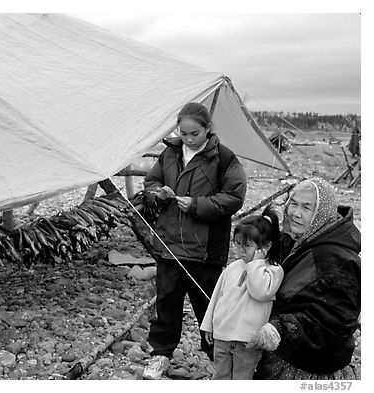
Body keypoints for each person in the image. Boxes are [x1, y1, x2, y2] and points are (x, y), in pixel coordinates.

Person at [141, 102, 247, 380]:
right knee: (166, 303)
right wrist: (158, 195)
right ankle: (161, 355)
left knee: (209, 306)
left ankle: (217, 358)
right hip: (169, 246)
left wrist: (198, 205)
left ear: (208, 129)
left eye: (194, 134)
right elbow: (150, 183)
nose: (188, 139)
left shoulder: (223, 158)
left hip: (205, 250)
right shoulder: (169, 153)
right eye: (183, 133)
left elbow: (235, 196)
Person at [250, 178, 361, 379]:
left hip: (309, 367)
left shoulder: (334, 258)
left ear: (322, 213)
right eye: (293, 203)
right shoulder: (301, 240)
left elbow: (334, 321)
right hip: (285, 352)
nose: (295, 213)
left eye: (306, 207)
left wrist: (279, 328)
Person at [200, 205, 284, 379]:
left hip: (247, 340)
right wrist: (208, 325)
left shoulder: (272, 271)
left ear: (266, 246)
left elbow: (260, 292)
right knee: (220, 375)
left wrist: (256, 264)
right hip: (223, 334)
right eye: (237, 244)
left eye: (247, 246)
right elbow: (217, 298)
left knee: (242, 378)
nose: (240, 251)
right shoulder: (232, 267)